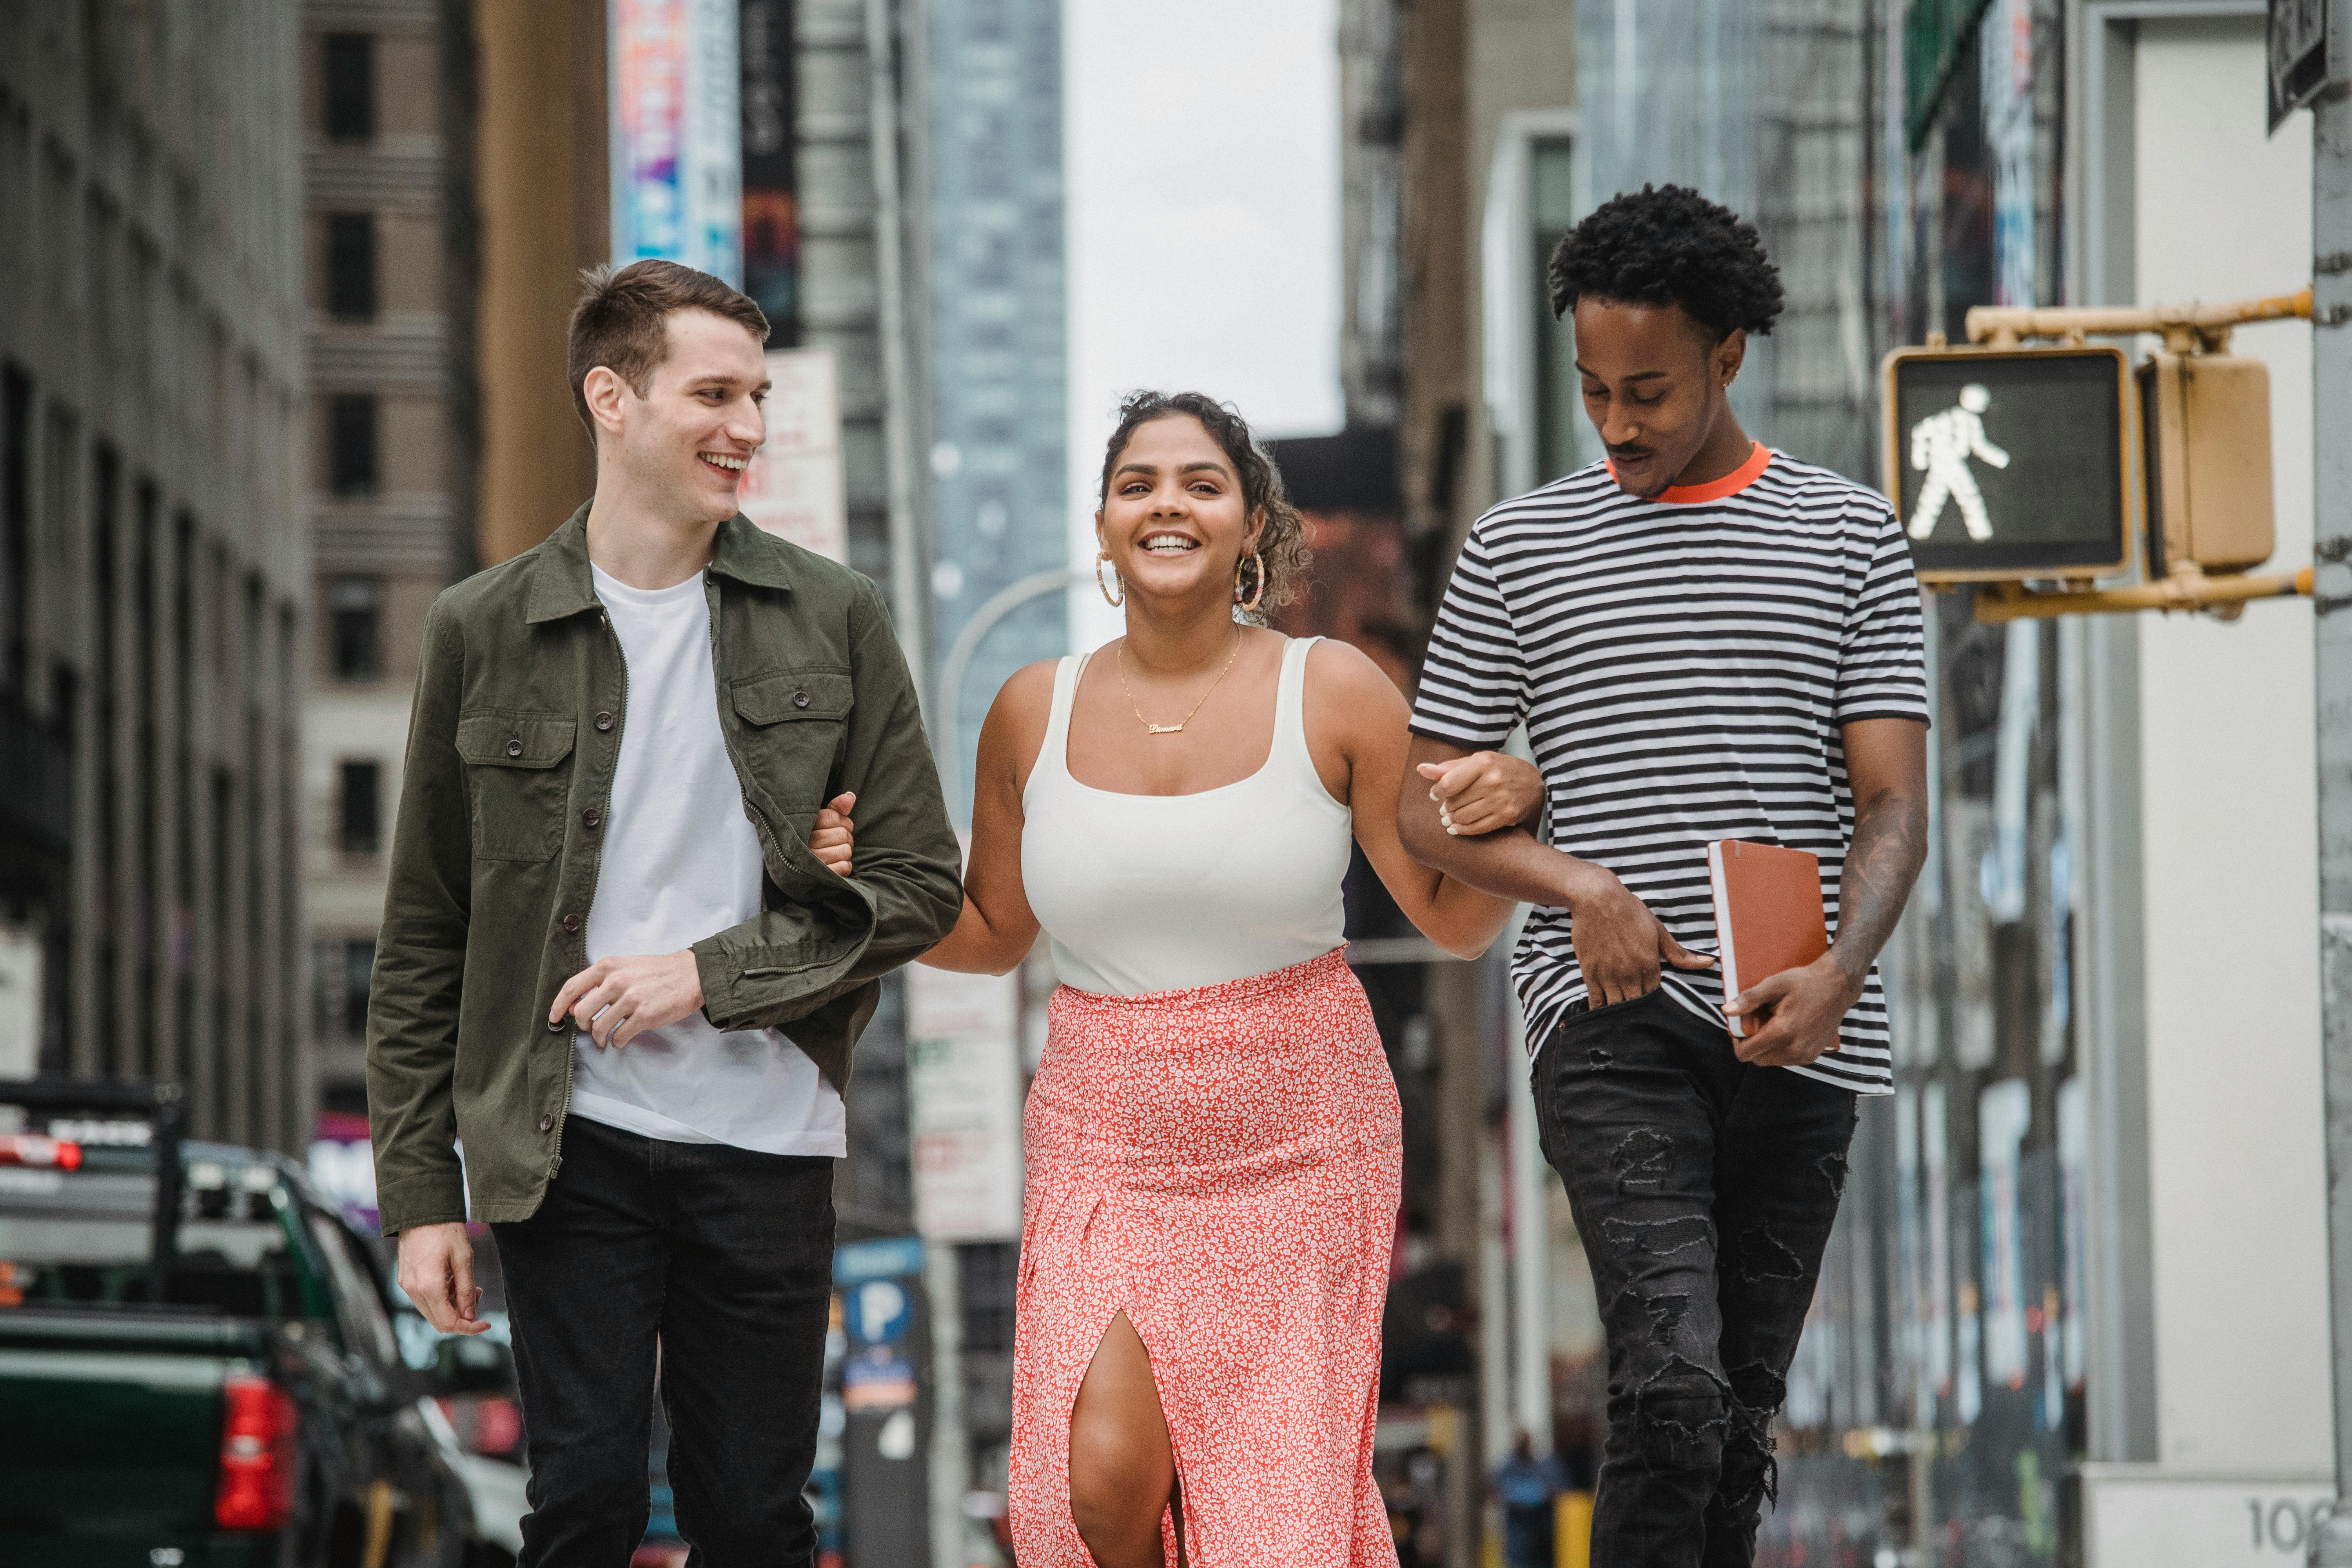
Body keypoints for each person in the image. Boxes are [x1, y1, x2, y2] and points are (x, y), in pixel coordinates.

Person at [366, 259, 962, 1566]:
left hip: (766, 1135)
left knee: (753, 1516)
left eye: (757, 394)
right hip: (566, 1131)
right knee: (579, 1503)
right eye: (713, 392)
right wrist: (418, 1198)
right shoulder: (484, 625)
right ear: (612, 399)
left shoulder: (834, 616)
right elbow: (427, 932)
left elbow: (921, 885)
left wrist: (710, 974)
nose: (747, 424)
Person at [1397, 185, 1930, 1568]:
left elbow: (1892, 805)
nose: (1618, 422)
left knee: (1740, 1425)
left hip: (1803, 1027)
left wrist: (1841, 969)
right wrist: (1581, 888)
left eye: (1648, 390)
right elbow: (1423, 806)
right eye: (1593, 390)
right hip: (1615, 1023)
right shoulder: (1518, 549)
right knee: (1672, 1384)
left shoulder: (1853, 536)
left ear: (1730, 355)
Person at [918, 390, 1543, 1568]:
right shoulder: (1027, 711)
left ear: (1251, 524)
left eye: (1200, 483)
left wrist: (1518, 803)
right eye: (1136, 482)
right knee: (1089, 1485)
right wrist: (868, 902)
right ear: (1101, 523)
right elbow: (992, 929)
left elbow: (1452, 923)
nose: (1166, 503)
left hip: (1298, 1135)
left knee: (1272, 1524)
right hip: (1104, 1128)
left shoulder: (1336, 690)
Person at [1491, 1432, 1570, 1568]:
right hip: (1518, 1541)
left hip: (1544, 1540)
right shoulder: (1508, 1468)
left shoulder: (1547, 1467)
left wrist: (1542, 1493)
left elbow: (1562, 1490)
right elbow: (1492, 1492)